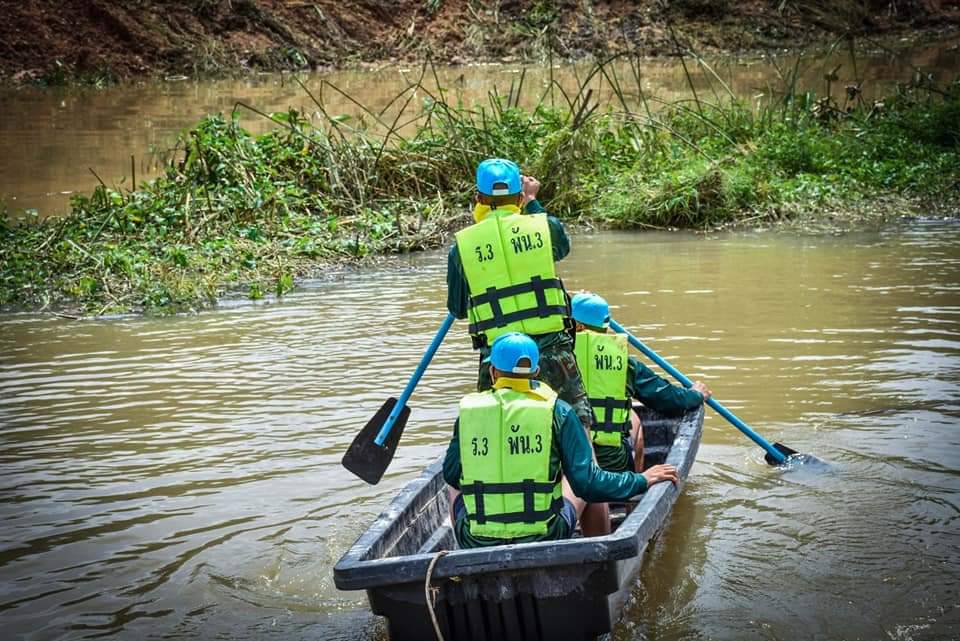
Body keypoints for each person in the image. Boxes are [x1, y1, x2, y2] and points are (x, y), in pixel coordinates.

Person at [443, 332, 679, 548]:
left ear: (493, 372)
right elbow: (588, 484)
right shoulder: (558, 411)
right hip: (546, 534)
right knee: (581, 476)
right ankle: (600, 558)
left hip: (474, 539)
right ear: (536, 372)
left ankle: (467, 556)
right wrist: (641, 479)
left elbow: (452, 475)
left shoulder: (469, 414)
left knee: (452, 485)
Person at [445, 158, 594, 433]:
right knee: (577, 429)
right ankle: (584, 461)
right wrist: (533, 202)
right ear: (520, 197)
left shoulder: (461, 248)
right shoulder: (544, 227)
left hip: (498, 363)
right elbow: (561, 248)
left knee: (498, 433)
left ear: (478, 197)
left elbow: (458, 309)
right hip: (552, 352)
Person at [571, 292, 712, 473]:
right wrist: (695, 394)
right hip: (613, 464)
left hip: (566, 463)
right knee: (634, 420)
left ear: (577, 326)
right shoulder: (624, 363)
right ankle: (636, 480)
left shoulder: (555, 360)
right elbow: (667, 397)